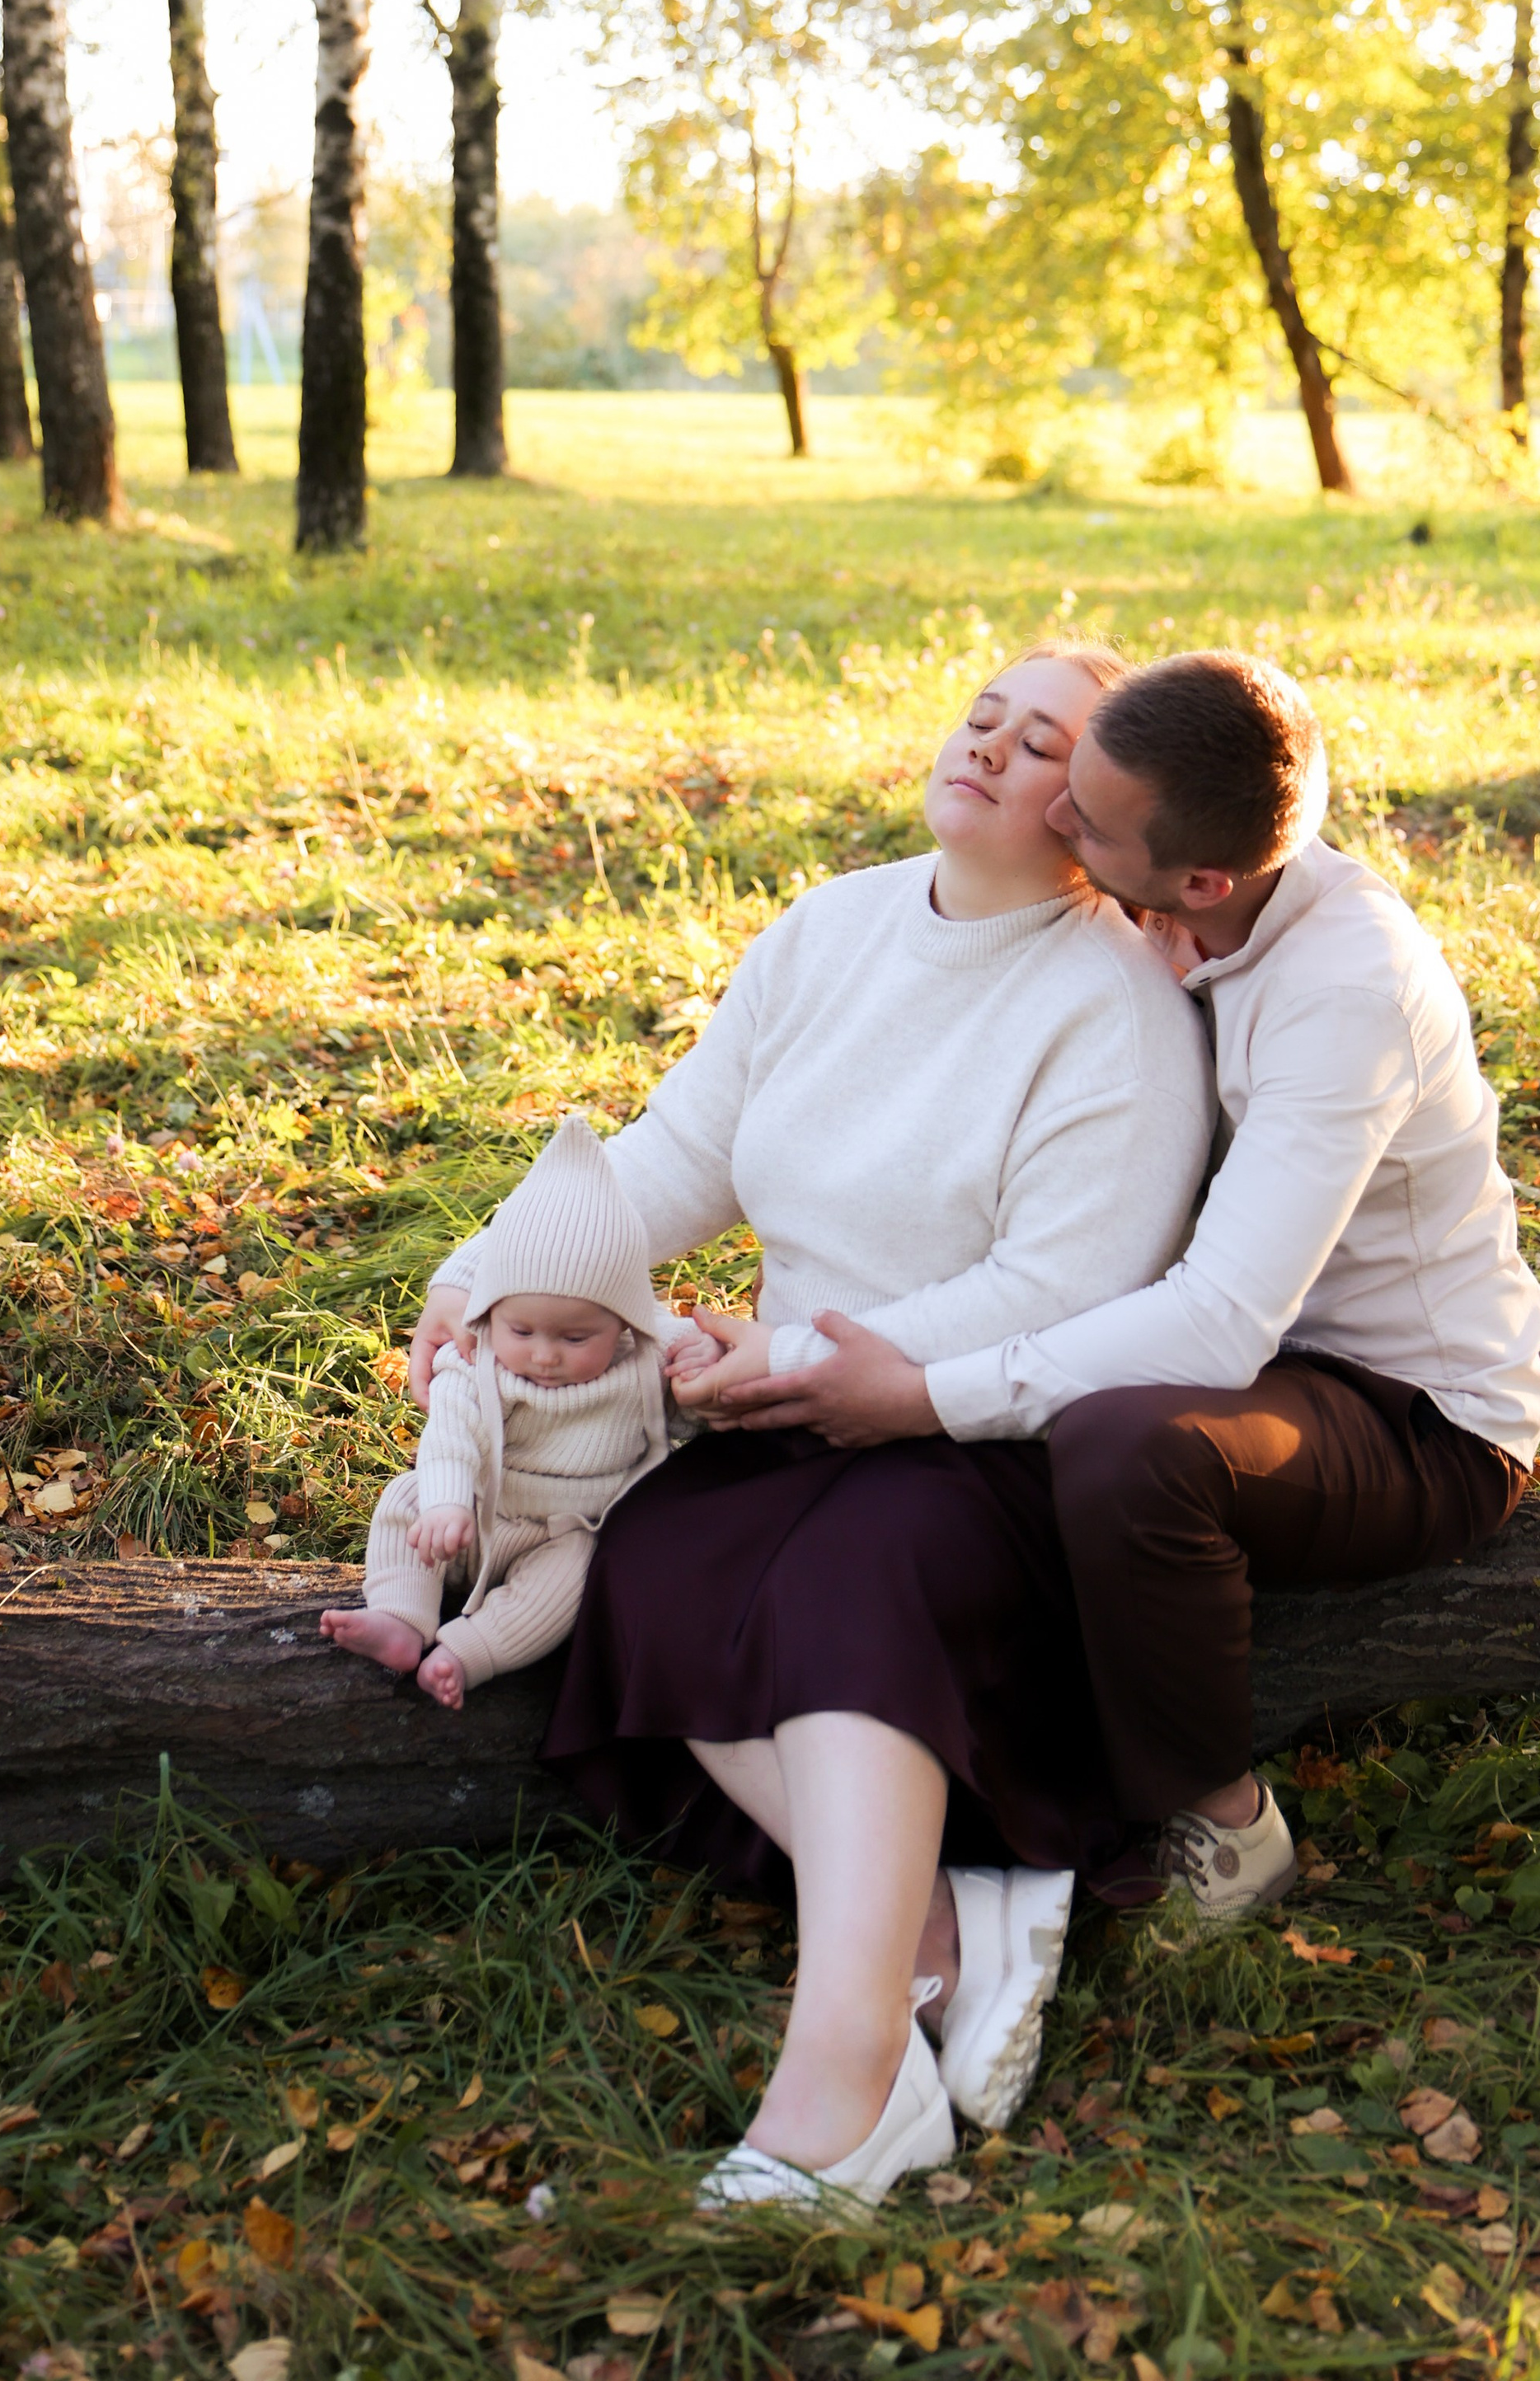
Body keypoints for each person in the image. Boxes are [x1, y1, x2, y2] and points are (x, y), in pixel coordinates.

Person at [407, 641, 1216, 2208]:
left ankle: (846, 2083)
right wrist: (482, 1271)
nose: (986, 747)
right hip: (787, 1416)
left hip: (999, 1443)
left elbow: (1068, 1285)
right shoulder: (833, 929)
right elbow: (677, 1155)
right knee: (641, 1559)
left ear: (1103, 811)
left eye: (1041, 741)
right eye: (982, 713)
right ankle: (941, 1929)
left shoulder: (1111, 1011)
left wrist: (794, 1350)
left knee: (858, 1577)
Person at [725, 647, 1540, 1924]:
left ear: (1202, 877)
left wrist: (930, 1393)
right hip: (1270, 1359)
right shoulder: (1204, 900)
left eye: (1089, 824)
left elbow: (1218, 1326)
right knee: (1041, 1448)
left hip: (1409, 1414)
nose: (1056, 815)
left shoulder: (1346, 993)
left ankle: (1225, 1822)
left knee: (1122, 1442)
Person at [320, 1115, 676, 1707]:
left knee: (577, 1572)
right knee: (405, 1498)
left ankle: (472, 1651)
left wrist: (704, 1380)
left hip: (559, 1532)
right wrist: (447, 1500)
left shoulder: (645, 1366)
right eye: (522, 1328)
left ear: (624, 1326)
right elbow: (450, 1437)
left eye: (576, 1338)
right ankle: (401, 1618)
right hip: (468, 1516)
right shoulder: (476, 1360)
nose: (543, 1355)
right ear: (490, 1310)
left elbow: (696, 1413)